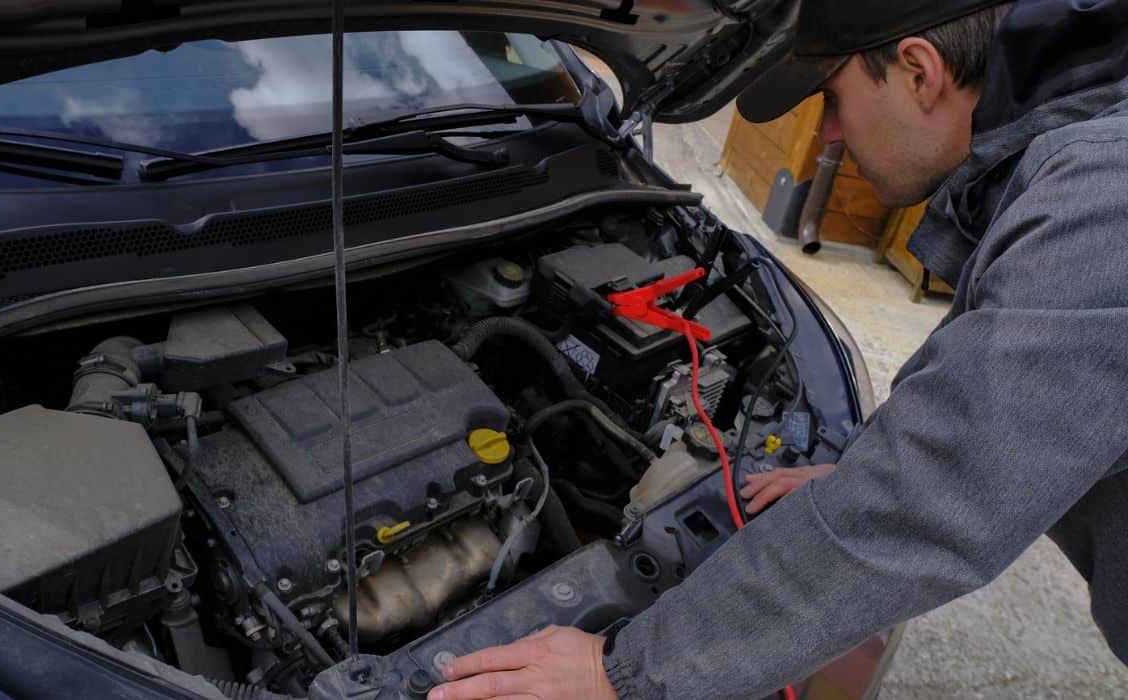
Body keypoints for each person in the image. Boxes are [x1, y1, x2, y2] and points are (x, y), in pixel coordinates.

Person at [430, 0, 1128, 697]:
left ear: (920, 72)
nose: (826, 133)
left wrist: (618, 672)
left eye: (832, 98)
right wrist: (863, 479)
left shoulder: (1100, 208)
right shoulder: (1064, 156)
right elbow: (983, 392)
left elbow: (925, 508)